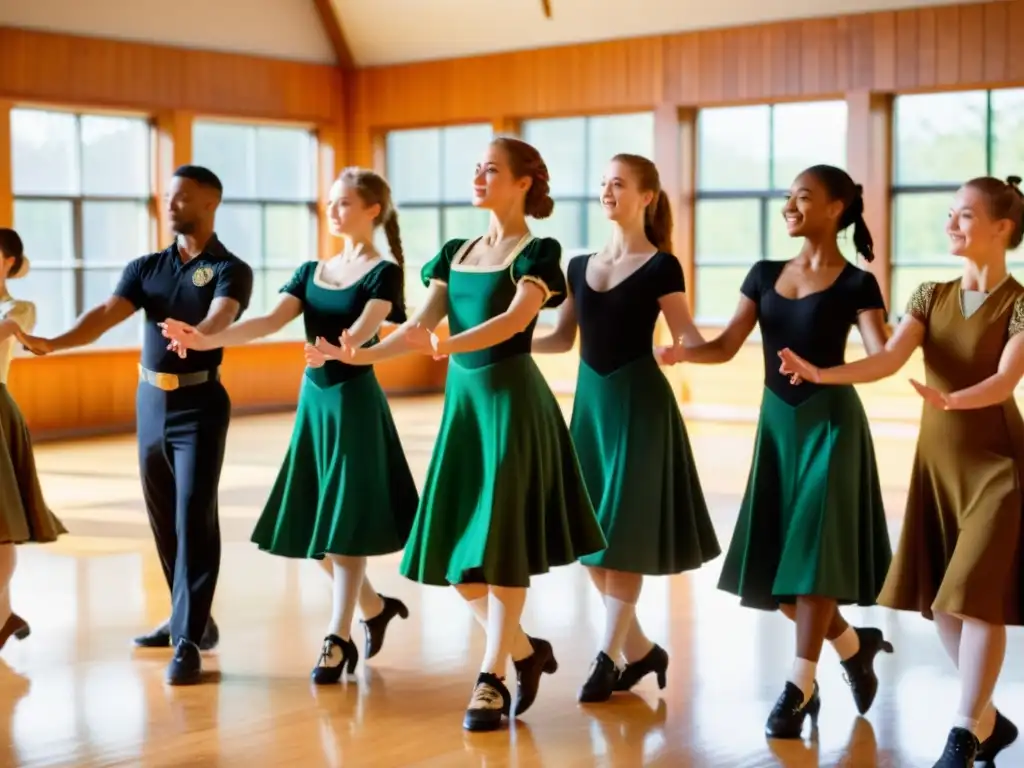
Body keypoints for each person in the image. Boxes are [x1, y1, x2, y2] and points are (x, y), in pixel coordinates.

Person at [313, 137, 607, 732]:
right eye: (477, 168)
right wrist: (358, 356)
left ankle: (492, 675)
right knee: (454, 560)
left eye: (491, 169)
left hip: (512, 407)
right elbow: (420, 324)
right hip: (465, 412)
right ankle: (526, 651)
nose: (479, 176)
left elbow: (514, 321)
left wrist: (447, 345)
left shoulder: (540, 251)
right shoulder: (456, 250)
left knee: (501, 549)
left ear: (524, 182)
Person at [778, 175, 1024, 767]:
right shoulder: (927, 295)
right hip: (937, 467)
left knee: (976, 599)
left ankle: (963, 732)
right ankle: (989, 722)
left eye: (965, 215)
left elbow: (1006, 379)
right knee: (942, 603)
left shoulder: (1021, 301)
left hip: (998, 465)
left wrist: (955, 400)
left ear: (1002, 229)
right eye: (950, 213)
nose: (952, 224)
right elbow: (887, 357)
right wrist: (819, 374)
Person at [660, 165, 893, 738]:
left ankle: (798, 687)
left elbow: (879, 356)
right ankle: (852, 644)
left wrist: (824, 371)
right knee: (785, 579)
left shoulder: (858, 283)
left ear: (836, 209)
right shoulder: (763, 274)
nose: (789, 205)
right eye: (787, 197)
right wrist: (687, 354)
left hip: (832, 428)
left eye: (803, 197)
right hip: (777, 430)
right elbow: (727, 346)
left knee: (811, 566)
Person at [159, 167, 417, 684]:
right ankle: (374, 607)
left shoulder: (383, 271)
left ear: (372, 211)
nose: (334, 210)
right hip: (314, 402)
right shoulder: (309, 270)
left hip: (353, 402)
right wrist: (209, 339)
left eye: (345, 203)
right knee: (313, 527)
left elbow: (369, 326)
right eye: (330, 202)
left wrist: (345, 347)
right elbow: (269, 321)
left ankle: (336, 638)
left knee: (343, 528)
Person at [17, 166, 253, 685]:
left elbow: (223, 315)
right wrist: (52, 343)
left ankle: (187, 640)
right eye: (167, 196)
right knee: (165, 518)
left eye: (182, 197)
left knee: (194, 516)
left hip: (200, 404)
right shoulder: (146, 267)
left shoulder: (229, 268)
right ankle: (190, 617)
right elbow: (106, 312)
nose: (170, 204)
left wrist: (198, 334)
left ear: (210, 202)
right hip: (150, 403)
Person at [532, 153, 720, 702]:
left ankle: (607, 656)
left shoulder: (663, 267)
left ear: (647, 197)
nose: (607, 192)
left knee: (624, 536)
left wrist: (698, 349)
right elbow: (562, 338)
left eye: (619, 184)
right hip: (591, 407)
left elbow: (690, 336)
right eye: (603, 184)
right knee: (591, 537)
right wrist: (505, 344)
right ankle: (640, 650)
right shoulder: (576, 265)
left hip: (642, 408)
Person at [0, 229, 67, 651]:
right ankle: (5, 614)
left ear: (8, 260)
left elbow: (11, 325)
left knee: (1, 524)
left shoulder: (18, 309)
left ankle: (2, 615)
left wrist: (9, 326)